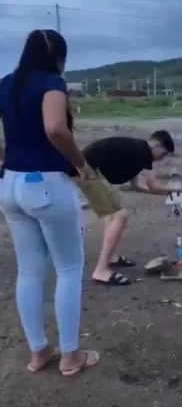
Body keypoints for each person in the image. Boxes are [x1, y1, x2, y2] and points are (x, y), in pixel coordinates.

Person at [0, 29, 99, 375]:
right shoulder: (51, 83)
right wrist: (82, 165)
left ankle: (38, 352)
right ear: (58, 57)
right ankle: (71, 355)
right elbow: (56, 128)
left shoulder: (6, 84)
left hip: (10, 184)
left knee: (29, 270)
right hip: (45, 185)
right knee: (69, 268)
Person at [80, 132, 178, 285]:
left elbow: (138, 185)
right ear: (156, 145)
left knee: (112, 214)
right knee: (119, 216)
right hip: (86, 170)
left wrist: (168, 192)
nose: (162, 158)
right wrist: (173, 188)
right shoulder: (144, 151)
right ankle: (100, 270)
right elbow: (153, 185)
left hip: (89, 170)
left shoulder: (136, 151)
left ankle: (110, 258)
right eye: (163, 154)